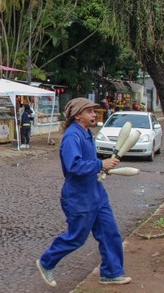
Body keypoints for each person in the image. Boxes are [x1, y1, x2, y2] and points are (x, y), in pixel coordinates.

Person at [36, 97, 131, 287]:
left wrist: (102, 168)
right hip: (79, 196)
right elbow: (73, 166)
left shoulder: (86, 133)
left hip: (96, 192)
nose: (94, 114)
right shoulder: (73, 136)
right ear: (78, 115)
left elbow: (88, 163)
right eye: (90, 111)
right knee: (76, 237)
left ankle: (112, 272)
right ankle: (46, 262)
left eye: (94, 111)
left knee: (110, 232)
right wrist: (100, 164)